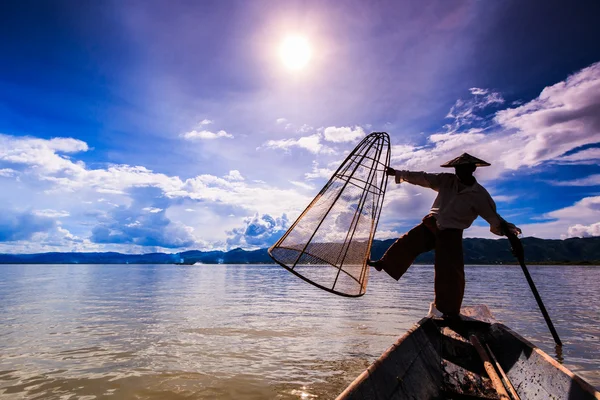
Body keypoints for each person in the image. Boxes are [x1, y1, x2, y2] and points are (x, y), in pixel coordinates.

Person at [369, 153, 521, 317]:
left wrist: (511, 236)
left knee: (449, 271)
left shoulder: (480, 195)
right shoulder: (447, 180)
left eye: (462, 169)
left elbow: (494, 218)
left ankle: (448, 310)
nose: (458, 172)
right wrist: (398, 173)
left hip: (452, 233)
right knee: (407, 242)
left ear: (471, 169)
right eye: (457, 169)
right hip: (432, 224)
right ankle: (385, 263)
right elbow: (424, 178)